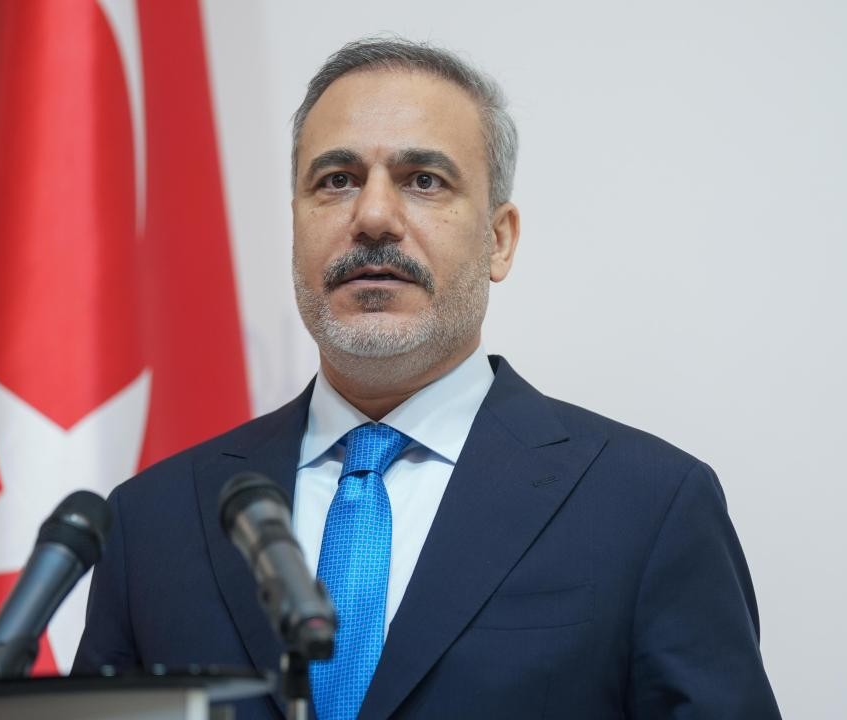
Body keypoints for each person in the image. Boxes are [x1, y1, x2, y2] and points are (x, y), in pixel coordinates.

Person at [74, 37, 781, 719]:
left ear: (498, 240)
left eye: (424, 181)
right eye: (337, 180)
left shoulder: (647, 508)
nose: (374, 217)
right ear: (295, 225)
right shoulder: (154, 521)